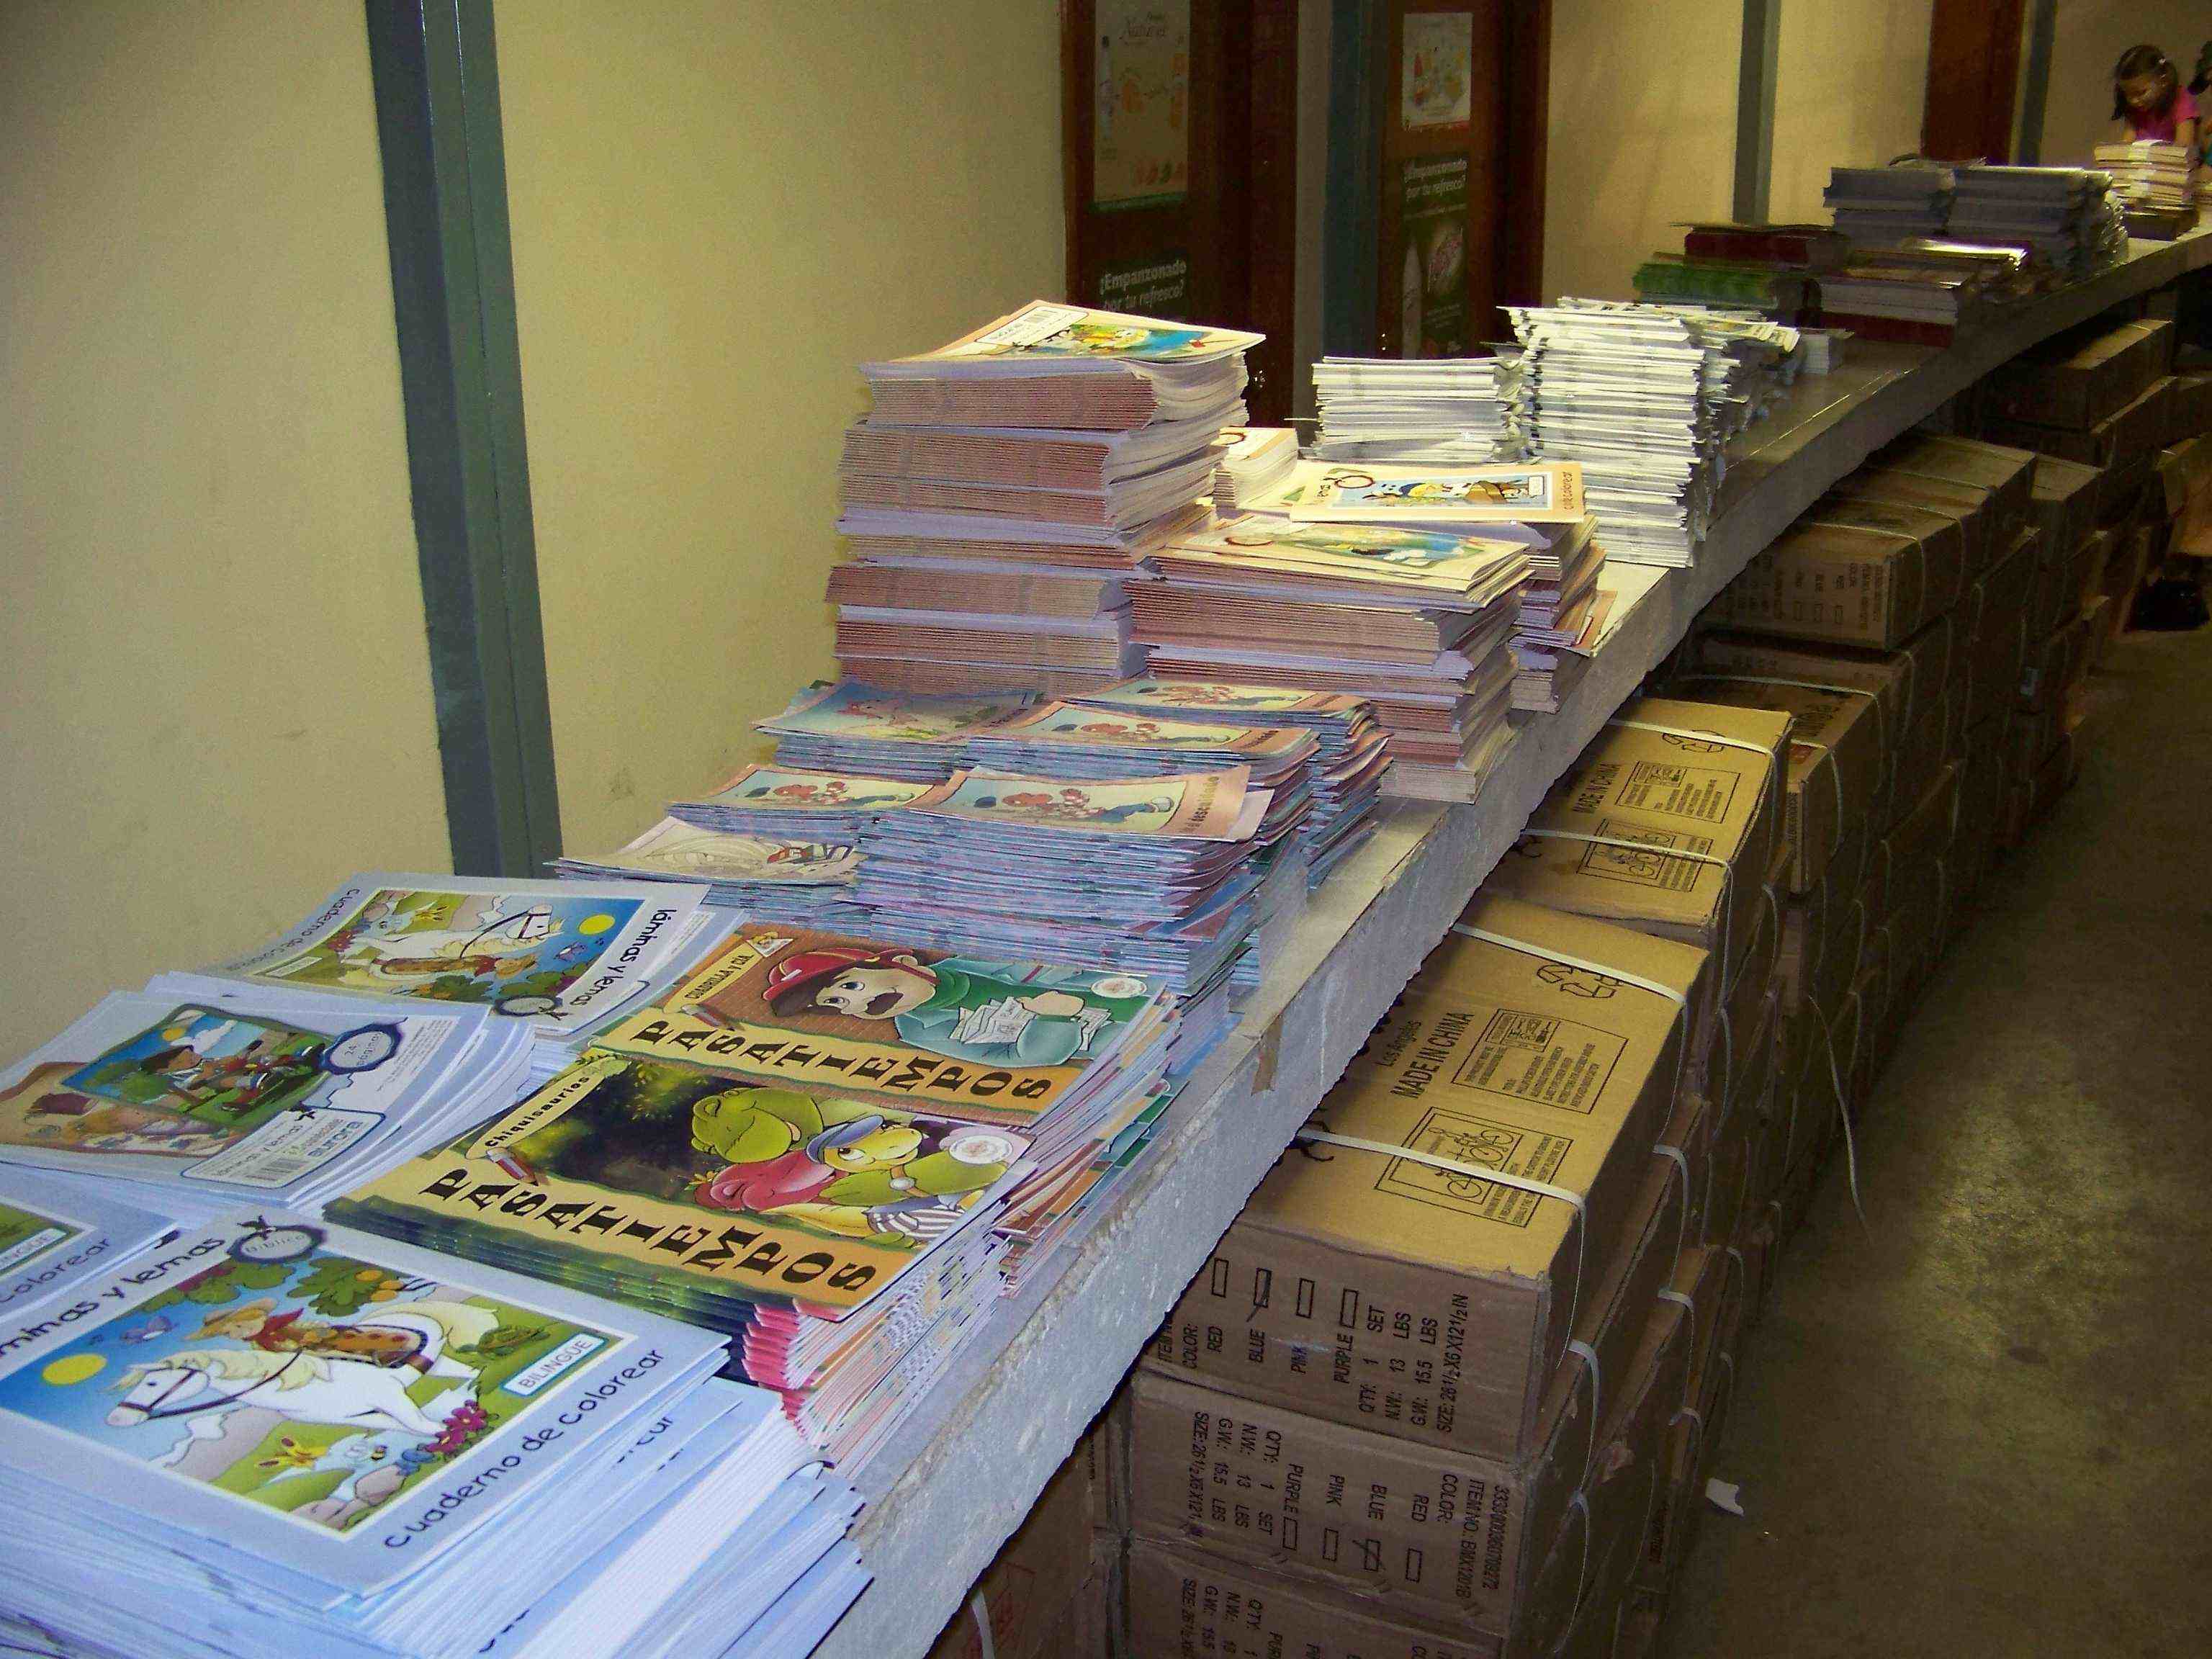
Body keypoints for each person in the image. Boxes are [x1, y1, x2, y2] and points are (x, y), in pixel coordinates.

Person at [2113, 44, 2199, 158]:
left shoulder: (2180, 99)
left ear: (2163, 81)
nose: (2133, 101)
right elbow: (2127, 145)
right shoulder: (2134, 109)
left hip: (2174, 165)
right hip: (2141, 165)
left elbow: (2184, 149)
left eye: (2141, 92)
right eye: (2127, 94)